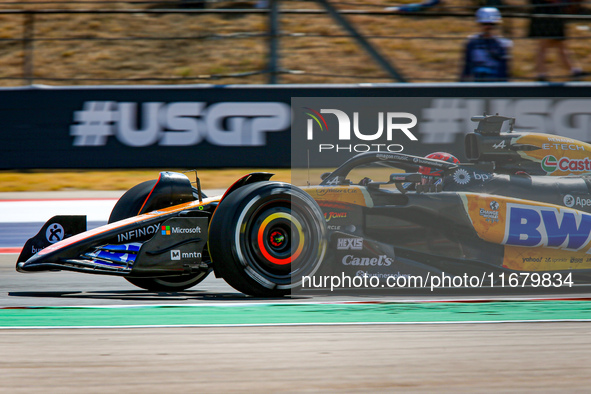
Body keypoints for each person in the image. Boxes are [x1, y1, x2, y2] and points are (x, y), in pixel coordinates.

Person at [528, 0, 584, 81]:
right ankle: (541, 74)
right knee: (543, 46)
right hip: (545, 15)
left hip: (554, 14)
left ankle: (574, 71)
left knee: (560, 46)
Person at [460, 7, 512, 82]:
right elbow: (467, 66)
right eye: (485, 24)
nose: (488, 27)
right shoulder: (472, 42)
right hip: (476, 81)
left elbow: (504, 69)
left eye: (491, 24)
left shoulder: (502, 44)